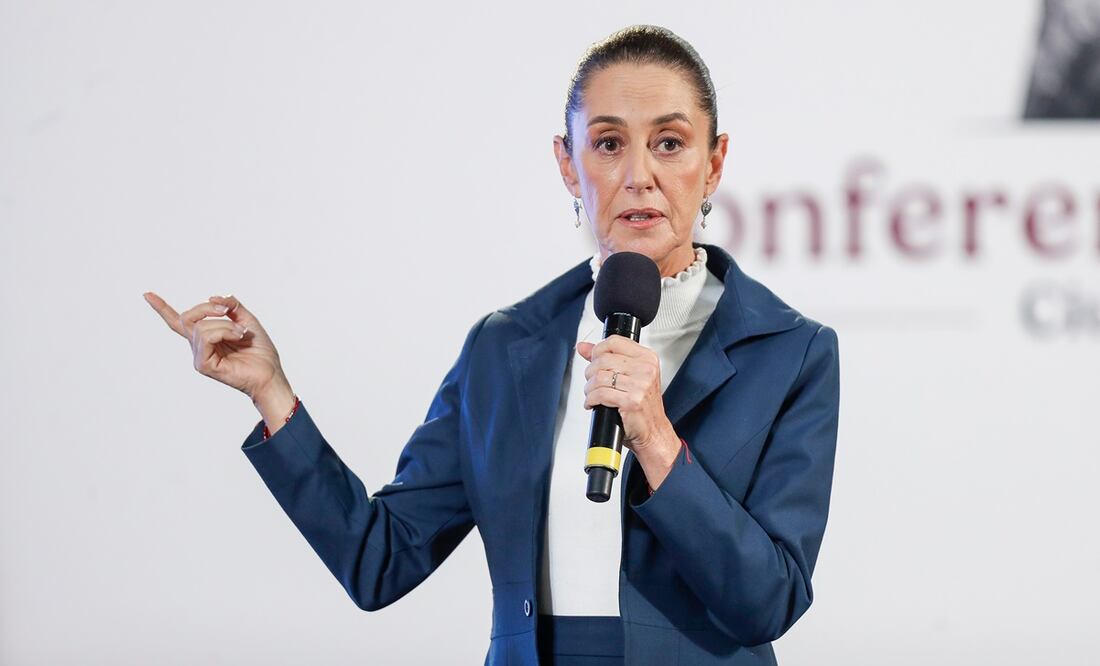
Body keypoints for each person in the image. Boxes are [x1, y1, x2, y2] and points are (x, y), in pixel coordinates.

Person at [144, 24, 840, 666]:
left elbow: (767, 602)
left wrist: (656, 438)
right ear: (568, 165)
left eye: (669, 143)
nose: (639, 176)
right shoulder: (506, 347)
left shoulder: (789, 353)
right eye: (607, 143)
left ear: (713, 163)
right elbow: (380, 559)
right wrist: (272, 393)